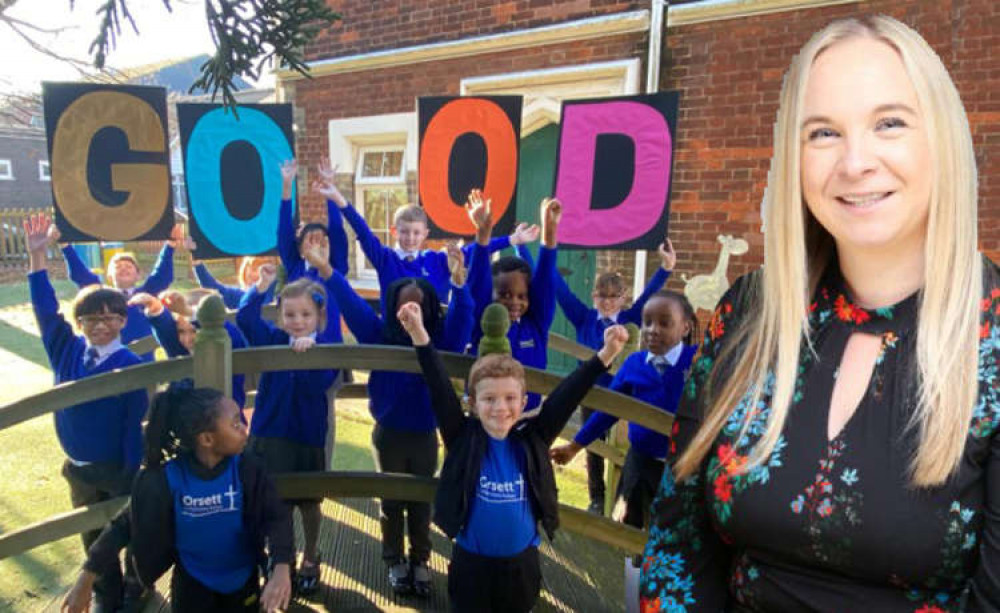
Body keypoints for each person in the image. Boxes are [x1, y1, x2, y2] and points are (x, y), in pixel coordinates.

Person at [639, 15, 1000, 611]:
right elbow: (679, 540)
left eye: (889, 123)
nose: (855, 162)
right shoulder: (750, 312)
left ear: (941, 139)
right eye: (823, 133)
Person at [398, 301, 628, 612]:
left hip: (521, 566)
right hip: (471, 565)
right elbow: (439, 386)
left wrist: (607, 355)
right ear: (472, 402)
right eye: (489, 399)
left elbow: (567, 396)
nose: (500, 408)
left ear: (522, 402)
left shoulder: (534, 438)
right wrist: (418, 332)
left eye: (509, 398)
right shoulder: (462, 437)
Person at [314, 243, 474, 597]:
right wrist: (327, 269)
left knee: (420, 502)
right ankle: (394, 560)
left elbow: (463, 325)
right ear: (393, 307)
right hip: (388, 433)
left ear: (430, 310)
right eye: (404, 303)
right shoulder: (379, 334)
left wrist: (460, 285)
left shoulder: (440, 340)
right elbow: (354, 308)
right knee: (390, 502)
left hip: (424, 434)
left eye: (418, 304)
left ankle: (420, 560)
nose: (410, 309)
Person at [61, 386, 294, 613]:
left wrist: (281, 567)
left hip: (242, 581)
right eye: (235, 424)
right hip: (192, 583)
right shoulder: (168, 479)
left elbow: (276, 516)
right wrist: (87, 576)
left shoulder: (247, 470)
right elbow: (124, 524)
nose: (245, 429)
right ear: (206, 439)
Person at [25, 213, 149, 612]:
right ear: (79, 323)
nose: (101, 326)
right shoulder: (67, 350)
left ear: (123, 321)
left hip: (117, 466)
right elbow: (46, 311)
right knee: (91, 532)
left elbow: (135, 423)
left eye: (111, 318)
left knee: (125, 530)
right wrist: (37, 258)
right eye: (92, 319)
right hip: (79, 466)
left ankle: (137, 582)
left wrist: (132, 471)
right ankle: (105, 592)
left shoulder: (130, 362)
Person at [551, 289, 698, 529]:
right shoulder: (635, 364)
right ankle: (632, 567)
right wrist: (575, 446)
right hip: (640, 465)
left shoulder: (698, 362)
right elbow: (607, 411)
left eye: (664, 323)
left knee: (675, 532)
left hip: (685, 467)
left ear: (685, 328)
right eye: (647, 322)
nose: (652, 330)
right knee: (631, 527)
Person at [236, 266, 341, 595]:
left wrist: (309, 353)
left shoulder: (326, 348)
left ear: (318, 316)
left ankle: (310, 555)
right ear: (280, 316)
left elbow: (318, 385)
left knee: (309, 501)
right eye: (290, 314)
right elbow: (246, 319)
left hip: (306, 435)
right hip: (270, 432)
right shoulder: (274, 339)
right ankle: (280, 557)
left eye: (305, 314)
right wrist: (261, 287)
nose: (297, 321)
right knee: (273, 499)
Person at [553, 238, 677, 514]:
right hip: (590, 392)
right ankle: (597, 498)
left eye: (613, 296)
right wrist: (539, 248)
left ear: (622, 297)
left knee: (622, 446)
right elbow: (559, 290)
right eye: (602, 296)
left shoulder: (631, 317)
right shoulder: (583, 317)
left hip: (623, 392)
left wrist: (666, 269)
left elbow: (649, 296)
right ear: (594, 296)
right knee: (593, 444)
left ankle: (623, 497)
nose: (607, 302)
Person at [323, 165, 539, 310]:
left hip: (435, 342)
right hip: (396, 342)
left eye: (416, 232)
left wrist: (511, 240)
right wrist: (338, 199)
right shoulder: (385, 258)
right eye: (405, 231)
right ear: (394, 231)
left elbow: (475, 250)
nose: (410, 238)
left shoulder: (437, 260)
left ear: (425, 234)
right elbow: (363, 231)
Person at [466, 190, 560, 416]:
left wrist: (549, 234)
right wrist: (482, 236)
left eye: (521, 295)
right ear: (492, 295)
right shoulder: (482, 321)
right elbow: (477, 284)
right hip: (486, 416)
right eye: (505, 295)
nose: (514, 302)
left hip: (529, 417)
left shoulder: (535, 323)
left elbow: (545, 283)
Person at [59, 224, 185, 362]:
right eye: (118, 267)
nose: (124, 269)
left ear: (138, 275)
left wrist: (170, 245)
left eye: (129, 267)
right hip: (109, 363)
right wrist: (66, 247)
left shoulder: (147, 295)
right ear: (110, 276)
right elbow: (81, 275)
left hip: (143, 364)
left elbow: (162, 274)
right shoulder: (101, 297)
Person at [127, 290, 249, 409]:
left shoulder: (229, 339)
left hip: (226, 421)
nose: (187, 339)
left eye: (195, 330)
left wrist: (189, 313)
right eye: (181, 332)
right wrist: (154, 306)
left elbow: (226, 330)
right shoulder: (180, 350)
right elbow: (164, 329)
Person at [191, 255, 277, 309]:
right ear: (245, 270)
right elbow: (212, 287)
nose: (260, 273)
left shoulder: (276, 293)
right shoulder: (238, 295)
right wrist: (198, 264)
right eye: (254, 268)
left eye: (266, 269)